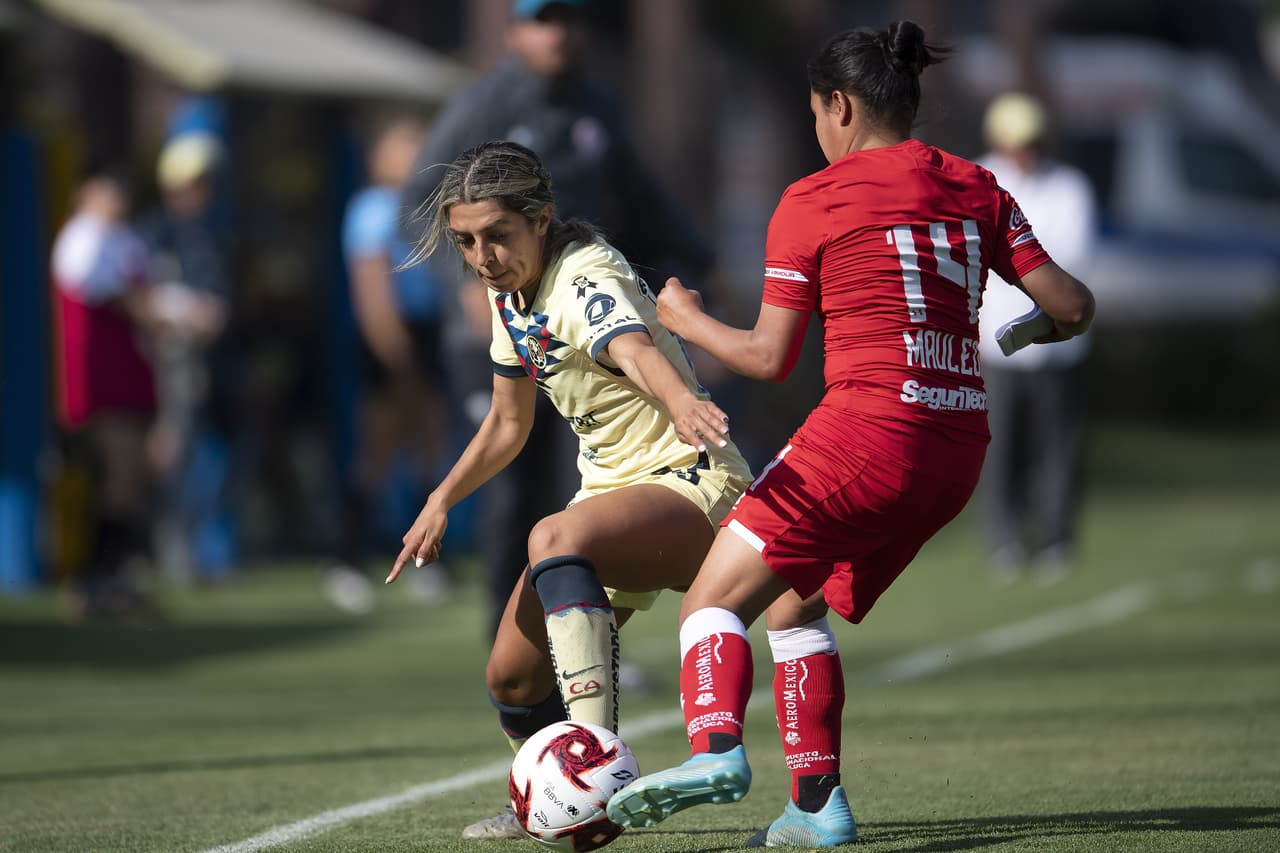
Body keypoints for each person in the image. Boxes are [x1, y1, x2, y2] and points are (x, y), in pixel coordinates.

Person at [604, 22, 1095, 847]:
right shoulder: (978, 184)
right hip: (954, 450)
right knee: (796, 602)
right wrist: (1030, 333)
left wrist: (682, 318)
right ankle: (816, 805)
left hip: (868, 431)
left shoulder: (814, 199)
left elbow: (766, 355)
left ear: (838, 105)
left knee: (711, 599)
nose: (817, 132)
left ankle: (716, 749)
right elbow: (1073, 305)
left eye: (815, 115)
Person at [385, 141, 751, 839]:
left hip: (695, 479)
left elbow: (635, 349)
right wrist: (439, 499)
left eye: (497, 235)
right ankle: (551, 794)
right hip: (614, 498)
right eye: (466, 241)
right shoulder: (507, 294)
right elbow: (506, 422)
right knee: (512, 681)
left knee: (552, 534)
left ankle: (591, 768)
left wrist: (679, 399)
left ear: (542, 218)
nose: (483, 255)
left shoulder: (584, 273)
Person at [399, 0, 718, 639]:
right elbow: (419, 199)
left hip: (584, 322)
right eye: (542, 19)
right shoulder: (484, 104)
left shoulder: (598, 104)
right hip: (506, 318)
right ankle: (509, 630)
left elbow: (642, 195)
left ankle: (578, 641)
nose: (558, 32)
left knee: (581, 484)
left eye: (569, 18)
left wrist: (703, 260)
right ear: (515, 32)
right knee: (512, 486)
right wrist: (459, 283)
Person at [330, 116, 451, 613]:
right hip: (392, 339)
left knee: (429, 449)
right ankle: (346, 559)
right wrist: (395, 353)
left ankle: (428, 560)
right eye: (403, 148)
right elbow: (373, 290)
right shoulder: (372, 209)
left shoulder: (427, 207)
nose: (414, 157)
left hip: (427, 333)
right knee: (378, 452)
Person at [976, 93, 1097, 585]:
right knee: (1000, 447)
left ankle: (1054, 540)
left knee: (1057, 447)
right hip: (995, 347)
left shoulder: (1069, 187)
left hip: (1059, 345)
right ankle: (1004, 539)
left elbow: (1071, 258)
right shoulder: (979, 180)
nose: (1021, 151)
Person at [50, 171, 159, 620]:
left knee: (127, 483)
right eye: (106, 187)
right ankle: (93, 582)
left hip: (129, 380)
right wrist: (163, 314)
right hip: (100, 385)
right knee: (113, 483)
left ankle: (112, 580)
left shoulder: (124, 239)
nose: (117, 195)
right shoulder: (82, 238)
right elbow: (105, 290)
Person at [136, 131, 236, 585]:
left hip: (209, 363)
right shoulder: (155, 231)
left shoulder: (209, 232)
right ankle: (167, 550)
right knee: (171, 451)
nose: (203, 191)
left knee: (207, 457)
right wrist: (189, 312)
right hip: (171, 362)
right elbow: (141, 294)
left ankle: (202, 552)